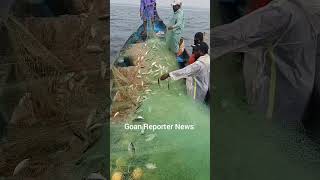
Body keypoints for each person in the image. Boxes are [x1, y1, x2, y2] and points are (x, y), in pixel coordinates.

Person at [212, 0, 320, 129]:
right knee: (287, 132)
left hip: (278, 90)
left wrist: (200, 42)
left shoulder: (283, 12)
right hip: (301, 85)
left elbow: (236, 34)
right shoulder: (311, 7)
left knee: (267, 129)